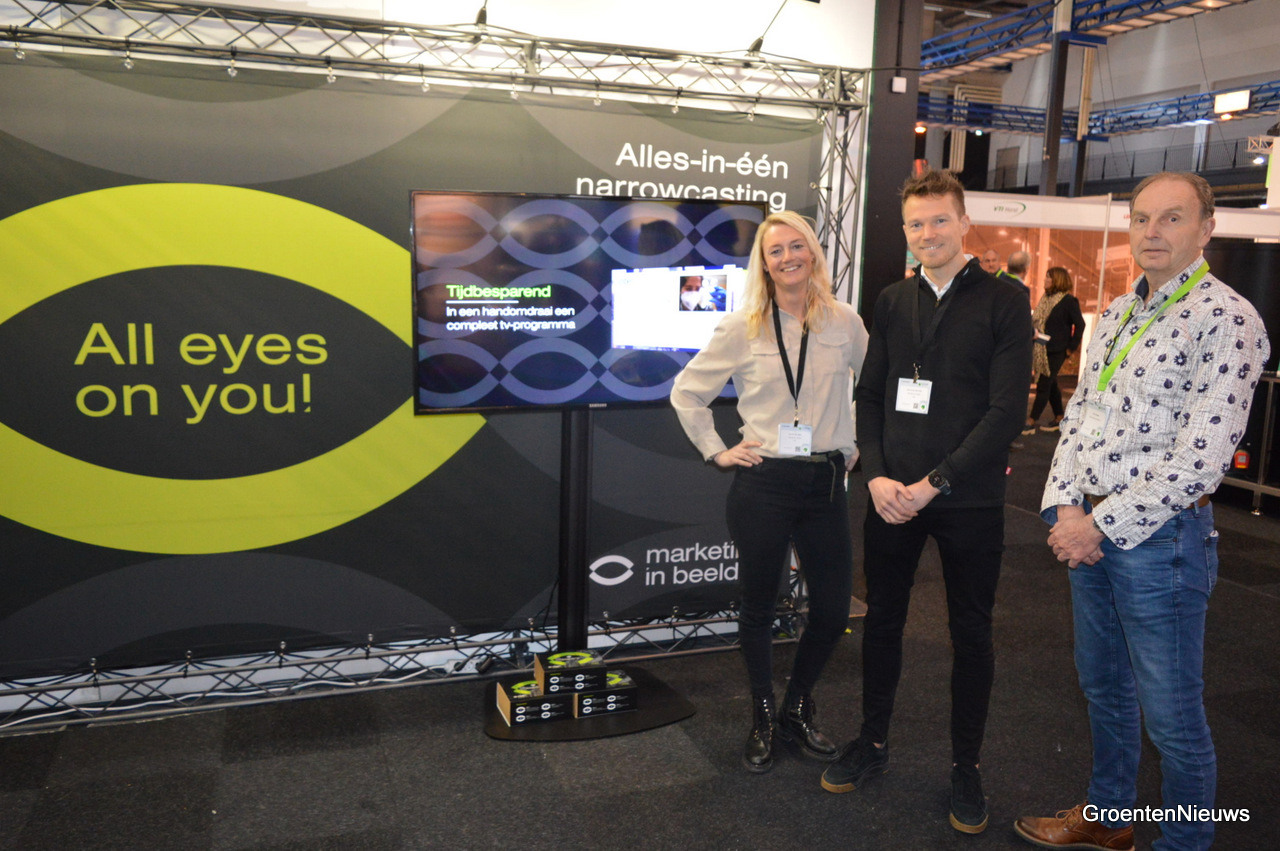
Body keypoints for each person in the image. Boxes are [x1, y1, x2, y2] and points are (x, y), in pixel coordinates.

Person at [1016, 172, 1270, 851]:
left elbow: (1202, 459)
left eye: (1171, 218)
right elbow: (1079, 417)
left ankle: (1185, 842)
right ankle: (1109, 817)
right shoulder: (1119, 313)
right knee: (1103, 688)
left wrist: (1094, 525)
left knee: (1173, 718)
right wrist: (1063, 507)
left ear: (1206, 228)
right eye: (1141, 218)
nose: (1151, 232)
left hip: (1162, 542)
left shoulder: (1228, 319)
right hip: (1087, 529)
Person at [820, 169, 1032, 834]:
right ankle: (872, 740)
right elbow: (871, 394)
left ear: (964, 222)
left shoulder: (1006, 300)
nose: (927, 233)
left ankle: (966, 767)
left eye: (940, 220)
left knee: (972, 633)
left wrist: (935, 482)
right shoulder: (891, 299)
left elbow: (1006, 411)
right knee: (883, 621)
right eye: (916, 223)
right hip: (891, 497)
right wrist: (877, 476)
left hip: (968, 498)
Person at [671, 211, 869, 774]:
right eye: (775, 250)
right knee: (759, 606)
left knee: (832, 610)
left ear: (813, 253)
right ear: (763, 263)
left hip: (825, 481)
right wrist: (717, 450)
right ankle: (762, 714)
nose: (788, 257)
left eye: (796, 246)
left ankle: (796, 707)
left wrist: (853, 438)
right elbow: (687, 392)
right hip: (764, 483)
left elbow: (872, 385)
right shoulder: (743, 326)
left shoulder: (845, 321)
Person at [1022, 267, 1085, 435]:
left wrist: (1071, 348)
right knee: (1051, 383)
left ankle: (1031, 421)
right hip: (1041, 347)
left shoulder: (1068, 301)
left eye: (1048, 277)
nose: (1045, 280)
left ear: (1057, 280)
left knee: (1044, 384)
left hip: (1057, 350)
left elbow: (1080, 324)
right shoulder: (1045, 298)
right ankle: (1059, 417)